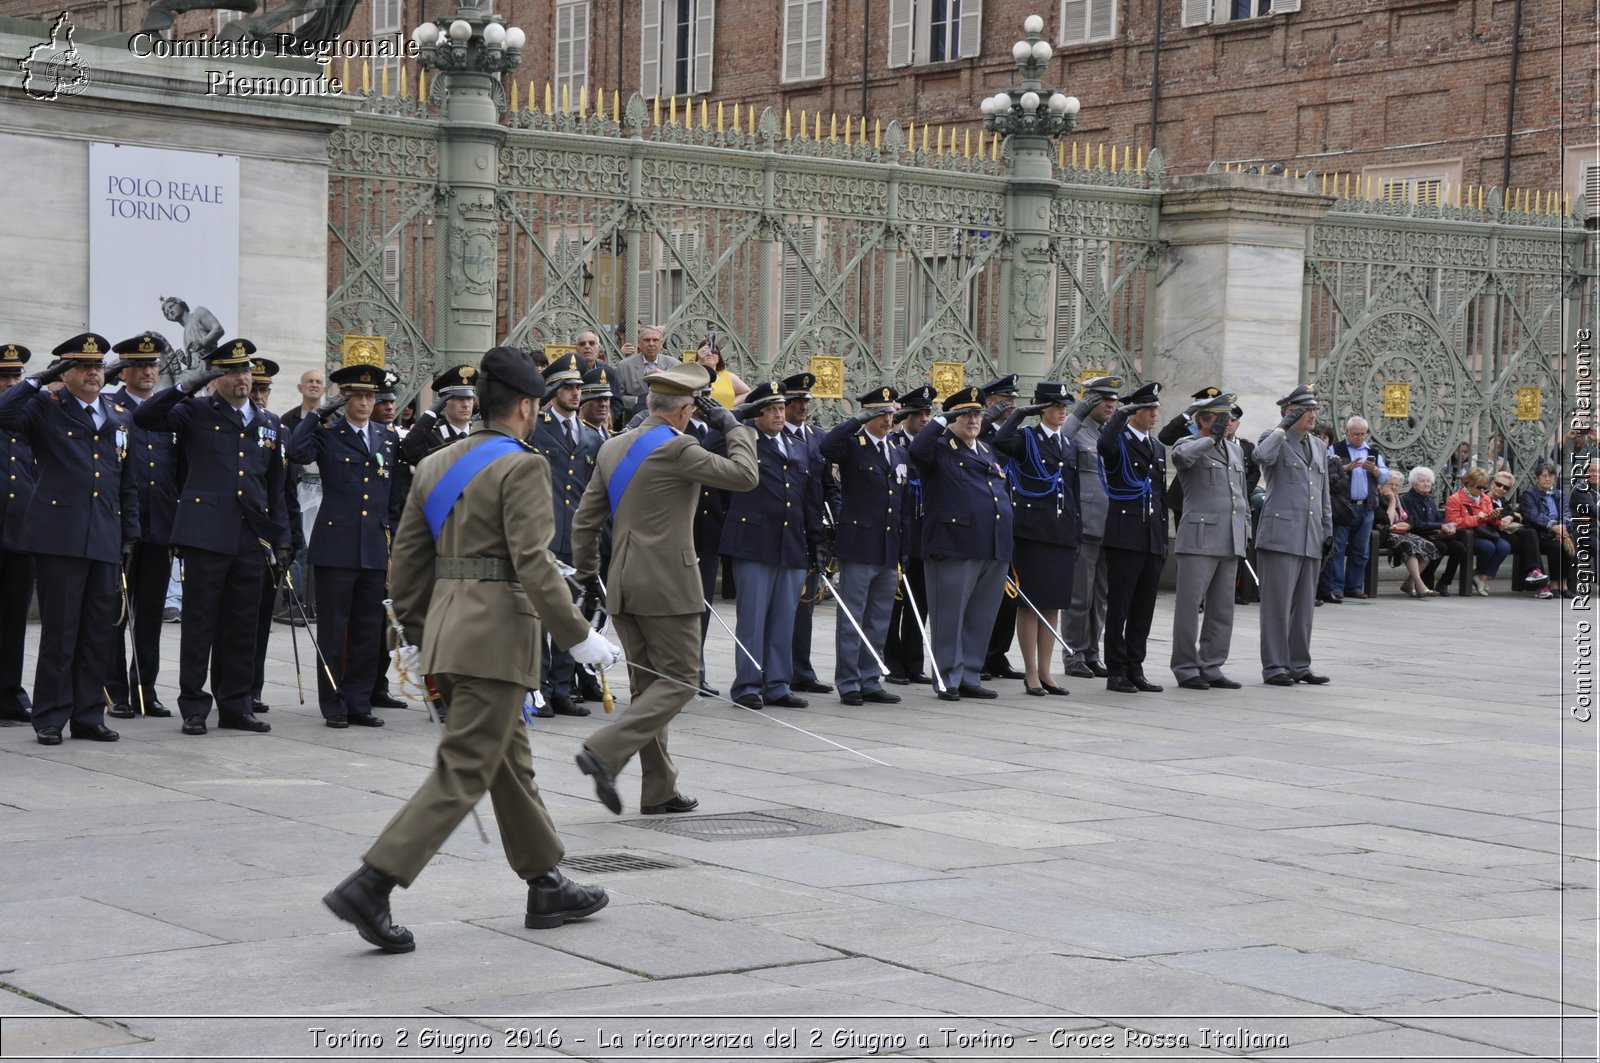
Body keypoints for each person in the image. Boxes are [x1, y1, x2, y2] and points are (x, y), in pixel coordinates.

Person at [323, 345, 621, 954]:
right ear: (528, 406)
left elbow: (406, 563)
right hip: (496, 635)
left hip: (447, 631)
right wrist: (579, 636)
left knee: (506, 761)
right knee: (466, 766)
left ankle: (545, 882)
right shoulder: (523, 466)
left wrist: (415, 632)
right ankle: (372, 883)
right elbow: (534, 564)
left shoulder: (435, 464)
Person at [571, 361, 759, 815]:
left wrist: (588, 575)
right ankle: (604, 750)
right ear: (684, 411)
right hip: (668, 583)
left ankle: (658, 790)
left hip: (622, 582)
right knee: (680, 681)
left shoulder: (614, 447)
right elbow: (745, 476)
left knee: (648, 688)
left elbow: (585, 520)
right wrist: (732, 425)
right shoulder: (679, 448)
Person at [135, 339, 288, 735]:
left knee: (242, 624)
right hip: (205, 534)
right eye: (232, 372)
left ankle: (235, 704)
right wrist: (187, 385)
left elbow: (274, 487)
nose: (242, 378)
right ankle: (194, 705)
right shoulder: (195, 411)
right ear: (216, 377)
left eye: (246, 371)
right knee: (200, 622)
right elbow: (147, 417)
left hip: (250, 536)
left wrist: (281, 539)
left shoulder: (268, 423)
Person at [0, 333, 138, 745]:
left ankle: (87, 714)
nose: (94, 373)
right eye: (83, 366)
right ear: (66, 371)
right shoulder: (45, 406)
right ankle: (50, 715)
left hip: (104, 534)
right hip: (59, 535)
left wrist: (129, 533)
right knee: (60, 632)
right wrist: (38, 380)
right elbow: (4, 415)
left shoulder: (115, 412)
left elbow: (124, 480)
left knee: (97, 631)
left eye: (98, 366)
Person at [286, 363, 405, 727]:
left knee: (368, 630)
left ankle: (359, 701)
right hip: (336, 545)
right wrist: (318, 413)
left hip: (373, 545)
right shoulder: (328, 434)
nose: (367, 403)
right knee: (335, 630)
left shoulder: (387, 438)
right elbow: (295, 451)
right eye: (359, 396)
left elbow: (394, 495)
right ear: (345, 399)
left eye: (371, 396)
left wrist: (394, 538)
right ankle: (334, 703)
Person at [721, 380, 823, 710]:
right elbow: (709, 446)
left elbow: (810, 495)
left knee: (783, 618)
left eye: (782, 408)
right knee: (752, 619)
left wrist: (815, 539)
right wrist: (737, 417)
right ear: (757, 413)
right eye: (771, 409)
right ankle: (748, 684)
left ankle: (777, 683)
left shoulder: (797, 444)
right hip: (754, 541)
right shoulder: (743, 439)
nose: (780, 414)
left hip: (790, 543)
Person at [908, 386, 1014, 702]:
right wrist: (941, 421)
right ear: (952, 418)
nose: (972, 419)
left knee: (981, 616)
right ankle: (946, 677)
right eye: (965, 414)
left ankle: (969, 673)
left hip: (992, 545)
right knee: (949, 616)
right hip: (954, 545)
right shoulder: (939, 448)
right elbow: (916, 452)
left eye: (977, 413)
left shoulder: (984, 449)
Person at [105, 333, 180, 719]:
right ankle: (115, 690)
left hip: (160, 527)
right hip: (120, 527)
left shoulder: (168, 411)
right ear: (123, 370)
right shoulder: (110, 406)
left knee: (150, 615)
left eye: (153, 365)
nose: (148, 372)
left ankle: (144, 689)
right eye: (139, 365)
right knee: (116, 613)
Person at [819, 385, 907, 706]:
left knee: (879, 616)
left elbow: (902, 504)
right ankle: (849, 681)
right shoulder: (854, 446)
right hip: (859, 544)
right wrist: (856, 420)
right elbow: (827, 447)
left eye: (889, 414)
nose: (887, 420)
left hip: (887, 546)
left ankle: (871, 678)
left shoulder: (897, 452)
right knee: (853, 616)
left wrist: (904, 547)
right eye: (880, 414)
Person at [992, 381, 1080, 696]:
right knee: (1029, 605)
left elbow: (1073, 491)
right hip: (1031, 533)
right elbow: (1000, 440)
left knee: (1053, 604)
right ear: (1041, 408)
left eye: (1064, 406)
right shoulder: (1026, 438)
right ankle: (1030, 671)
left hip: (1060, 533)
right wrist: (1021, 415)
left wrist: (1076, 529)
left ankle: (1046, 670)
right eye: (1055, 406)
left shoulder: (1069, 445)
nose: (1061, 412)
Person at [527, 353, 603, 717]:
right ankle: (539, 690)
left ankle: (561, 688)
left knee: (568, 617)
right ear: (555, 389)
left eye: (579, 387)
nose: (577, 393)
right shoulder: (536, 428)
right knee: (540, 617)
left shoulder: (590, 437)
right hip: (542, 536)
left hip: (574, 538)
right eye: (570, 387)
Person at [1168, 391, 1249, 690]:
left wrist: (1245, 529)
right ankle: (1186, 667)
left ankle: (1212, 664)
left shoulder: (1236, 450)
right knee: (1190, 607)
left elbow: (1239, 494)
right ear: (1204, 420)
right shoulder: (1189, 444)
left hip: (1230, 537)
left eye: (1228, 418)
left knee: (1222, 607)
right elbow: (1180, 458)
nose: (1227, 423)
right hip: (1199, 538)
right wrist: (1212, 438)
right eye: (1220, 418)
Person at [1253, 384, 1333, 686]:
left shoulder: (1319, 446)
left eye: (1313, 409)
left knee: (1304, 607)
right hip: (1281, 534)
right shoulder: (1274, 438)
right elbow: (1260, 457)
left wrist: (1328, 530)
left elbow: (1322, 493)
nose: (1312, 415)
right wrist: (1281, 427)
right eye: (1304, 409)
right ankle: (1275, 666)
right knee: (1277, 605)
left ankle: (1299, 664)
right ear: (1290, 411)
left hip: (1310, 535)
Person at [1097, 381, 1168, 694]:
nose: (1153, 414)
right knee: (1120, 606)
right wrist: (1118, 417)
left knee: (1143, 607)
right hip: (1125, 535)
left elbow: (1160, 496)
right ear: (1133, 411)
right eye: (1147, 408)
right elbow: (1103, 447)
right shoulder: (1119, 440)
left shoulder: (1157, 447)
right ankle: (1116, 669)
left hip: (1151, 535)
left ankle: (1135, 665)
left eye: (1155, 408)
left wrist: (1163, 537)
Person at [781, 372, 839, 696]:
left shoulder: (818, 437)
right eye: (796, 401)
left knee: (806, 603)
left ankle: (801, 670)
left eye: (806, 401)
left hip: (813, 531)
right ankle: (777, 669)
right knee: (781, 606)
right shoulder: (777, 437)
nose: (803, 406)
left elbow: (830, 486)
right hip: (785, 530)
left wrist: (839, 523)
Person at [1060, 375, 1120, 679]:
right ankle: (1073, 654)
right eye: (1102, 399)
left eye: (1113, 400)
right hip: (1085, 523)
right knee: (1078, 595)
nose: (1110, 405)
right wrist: (1079, 411)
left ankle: (1092, 652)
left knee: (1100, 598)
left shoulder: (1110, 434)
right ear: (1089, 400)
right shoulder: (1077, 430)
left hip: (1110, 525)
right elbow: (1061, 440)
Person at [883, 385, 937, 686]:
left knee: (921, 601)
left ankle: (914, 661)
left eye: (929, 413)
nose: (925, 419)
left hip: (924, 533)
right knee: (896, 601)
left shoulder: (933, 445)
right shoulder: (894, 442)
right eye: (919, 414)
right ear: (906, 415)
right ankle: (892, 661)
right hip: (901, 531)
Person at [977, 373, 1024, 680]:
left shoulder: (1017, 435)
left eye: (1014, 401)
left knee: (1010, 591)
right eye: (1006, 401)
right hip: (987, 520)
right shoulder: (980, 434)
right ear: (991, 402)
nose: (1012, 406)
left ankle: (998, 654)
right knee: (983, 593)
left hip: (1013, 519)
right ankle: (978, 655)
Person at [0, 344, 36, 723]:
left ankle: (9, 692)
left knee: (14, 620)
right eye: (4, 378)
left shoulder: (29, 419)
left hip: (22, 532)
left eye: (16, 377)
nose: (11, 384)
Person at [1321, 416, 1388, 601]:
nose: (1359, 437)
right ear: (1347, 433)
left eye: (1362, 434)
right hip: (1343, 506)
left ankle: (1355, 587)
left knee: (1360, 550)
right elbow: (1326, 472)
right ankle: (1336, 587)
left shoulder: (1372, 451)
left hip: (1366, 507)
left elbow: (1384, 476)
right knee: (1338, 547)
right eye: (1355, 434)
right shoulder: (1335, 448)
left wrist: (1374, 470)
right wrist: (1346, 467)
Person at [279, 368, 326, 624]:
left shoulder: (334, 418)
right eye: (309, 381)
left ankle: (318, 600)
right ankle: (293, 601)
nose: (314, 385)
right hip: (299, 487)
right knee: (299, 545)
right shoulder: (287, 419)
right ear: (300, 388)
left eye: (319, 382)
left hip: (325, 491)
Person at [1445, 467, 1512, 596]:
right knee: (1488, 547)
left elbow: (1492, 522)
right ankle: (1478, 576)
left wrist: (1495, 517)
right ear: (1468, 484)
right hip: (1466, 534)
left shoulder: (1484, 498)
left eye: (1483, 487)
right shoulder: (1455, 499)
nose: (1482, 490)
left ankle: (1482, 576)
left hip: (1483, 532)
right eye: (1479, 487)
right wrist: (1476, 518)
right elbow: (1453, 523)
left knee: (1504, 547)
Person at [1399, 466, 1466, 595]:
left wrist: (1448, 525)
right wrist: (1440, 526)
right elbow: (1416, 524)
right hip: (1417, 535)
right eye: (1423, 481)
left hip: (1433, 535)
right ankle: (1425, 581)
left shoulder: (1428, 499)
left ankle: (1444, 583)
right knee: (1440, 547)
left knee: (1459, 547)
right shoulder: (1407, 499)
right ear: (1414, 483)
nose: (1427, 484)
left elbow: (1438, 519)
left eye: (1429, 481)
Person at [1487, 470, 1553, 597]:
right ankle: (1541, 585)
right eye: (1498, 484)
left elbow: (1519, 516)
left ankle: (1536, 576)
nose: (1501, 489)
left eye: (1506, 487)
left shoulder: (1503, 502)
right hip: (1492, 533)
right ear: (1491, 483)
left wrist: (1510, 516)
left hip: (1506, 534)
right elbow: (1492, 516)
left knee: (1529, 539)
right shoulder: (1485, 498)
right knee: (1529, 538)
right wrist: (1512, 515)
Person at [1376, 469, 1439, 599]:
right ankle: (1420, 585)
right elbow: (1386, 521)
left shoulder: (1401, 499)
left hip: (1402, 533)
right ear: (1383, 485)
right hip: (1386, 536)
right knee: (1410, 547)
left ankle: (1409, 583)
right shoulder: (1379, 500)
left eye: (1397, 485)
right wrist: (1392, 501)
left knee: (1428, 546)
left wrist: (1407, 525)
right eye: (1390, 484)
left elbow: (1410, 520)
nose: (1394, 487)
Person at [400, 364, 477, 465]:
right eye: (458, 398)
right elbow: (409, 451)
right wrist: (430, 413)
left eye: (469, 398)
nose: (466, 405)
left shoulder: (478, 433)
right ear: (443, 403)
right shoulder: (431, 436)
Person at [1522, 462, 1575, 597]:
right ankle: (1554, 585)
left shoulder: (1559, 494)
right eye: (1544, 476)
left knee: (1567, 545)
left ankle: (1564, 586)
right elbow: (1533, 515)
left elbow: (1567, 513)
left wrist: (1562, 528)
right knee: (1556, 547)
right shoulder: (1530, 493)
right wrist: (1553, 527)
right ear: (1537, 478)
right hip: (1540, 535)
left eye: (1551, 476)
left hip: (1558, 533)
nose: (1547, 479)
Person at [611, 325, 670, 417]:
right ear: (639, 343)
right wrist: (639, 401)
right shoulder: (624, 366)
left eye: (655, 340)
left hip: (666, 422)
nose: (651, 344)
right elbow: (616, 397)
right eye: (647, 340)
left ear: (661, 343)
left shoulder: (674, 364)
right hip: (634, 423)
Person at [695, 342, 750, 407]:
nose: (710, 354)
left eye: (714, 351)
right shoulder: (693, 374)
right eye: (705, 352)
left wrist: (731, 405)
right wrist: (699, 362)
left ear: (719, 357)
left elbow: (747, 392)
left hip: (725, 415)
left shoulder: (728, 376)